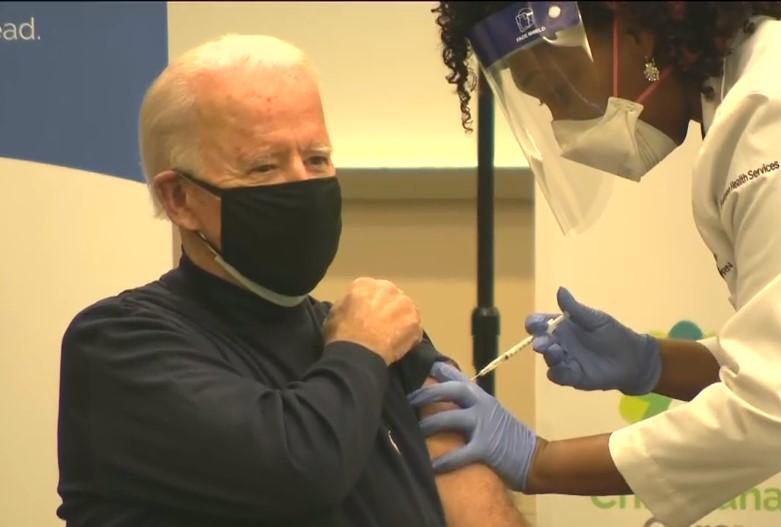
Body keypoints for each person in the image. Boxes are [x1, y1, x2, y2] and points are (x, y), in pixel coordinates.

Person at [409, 2, 781, 526]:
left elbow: (775, 408)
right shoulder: (779, 77)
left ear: (636, 35)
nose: (560, 124)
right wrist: (653, 363)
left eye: (554, 89)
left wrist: (540, 461)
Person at [57, 34, 526, 527]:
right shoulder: (119, 345)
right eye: (263, 166)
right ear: (180, 199)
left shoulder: (377, 335)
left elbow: (481, 512)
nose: (304, 184)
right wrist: (361, 348)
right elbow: (301, 470)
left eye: (317, 159)